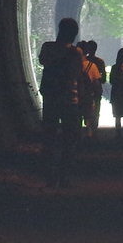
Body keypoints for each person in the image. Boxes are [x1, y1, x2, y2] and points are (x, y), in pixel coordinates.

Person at [38, 17, 83, 185]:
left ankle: (49, 174)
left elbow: (43, 61)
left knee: (49, 135)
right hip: (69, 98)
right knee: (69, 138)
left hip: (50, 97)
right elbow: (76, 74)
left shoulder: (47, 47)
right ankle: (64, 175)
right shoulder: (76, 53)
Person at [78, 39, 106, 138]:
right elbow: (102, 80)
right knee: (94, 113)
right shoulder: (97, 63)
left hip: (77, 93)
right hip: (92, 93)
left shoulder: (74, 64)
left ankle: (79, 134)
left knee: (79, 114)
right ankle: (93, 132)